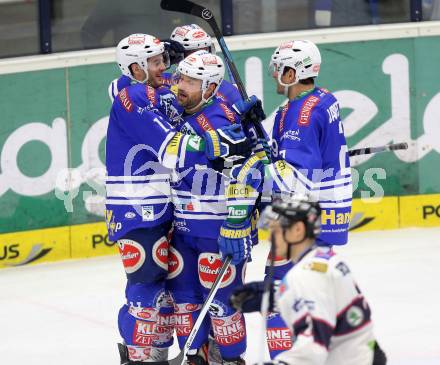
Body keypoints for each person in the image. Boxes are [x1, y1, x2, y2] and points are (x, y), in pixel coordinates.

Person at [105, 41, 250, 363]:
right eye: (156, 62)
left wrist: (242, 114)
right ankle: (139, 358)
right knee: (146, 292)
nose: (166, 70)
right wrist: (219, 142)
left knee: (174, 294)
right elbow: (173, 148)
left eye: (165, 60)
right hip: (138, 207)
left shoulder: (156, 92)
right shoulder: (134, 96)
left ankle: (183, 352)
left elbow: (207, 95)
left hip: (165, 207)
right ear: (135, 68)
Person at [230, 39, 352, 358]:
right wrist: (258, 131)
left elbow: (293, 175)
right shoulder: (322, 99)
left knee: (281, 293)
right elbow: (289, 152)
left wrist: (256, 163)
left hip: (306, 213)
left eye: (279, 69)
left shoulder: (300, 114)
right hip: (326, 209)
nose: (274, 75)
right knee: (310, 287)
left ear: (293, 71)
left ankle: (288, 358)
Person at [166, 51, 256, 365]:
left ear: (210, 87)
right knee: (185, 303)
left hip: (216, 231)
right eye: (180, 78)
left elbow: (249, 172)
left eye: (191, 81)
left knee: (222, 305)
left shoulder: (221, 120)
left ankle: (231, 361)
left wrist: (239, 221)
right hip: (183, 229)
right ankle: (195, 358)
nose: (181, 86)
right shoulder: (180, 112)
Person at [229, 197, 387, 365]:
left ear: (297, 230)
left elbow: (313, 348)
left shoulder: (306, 276)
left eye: (275, 231)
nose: (270, 239)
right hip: (364, 354)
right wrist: (276, 293)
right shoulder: (323, 259)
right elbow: (326, 301)